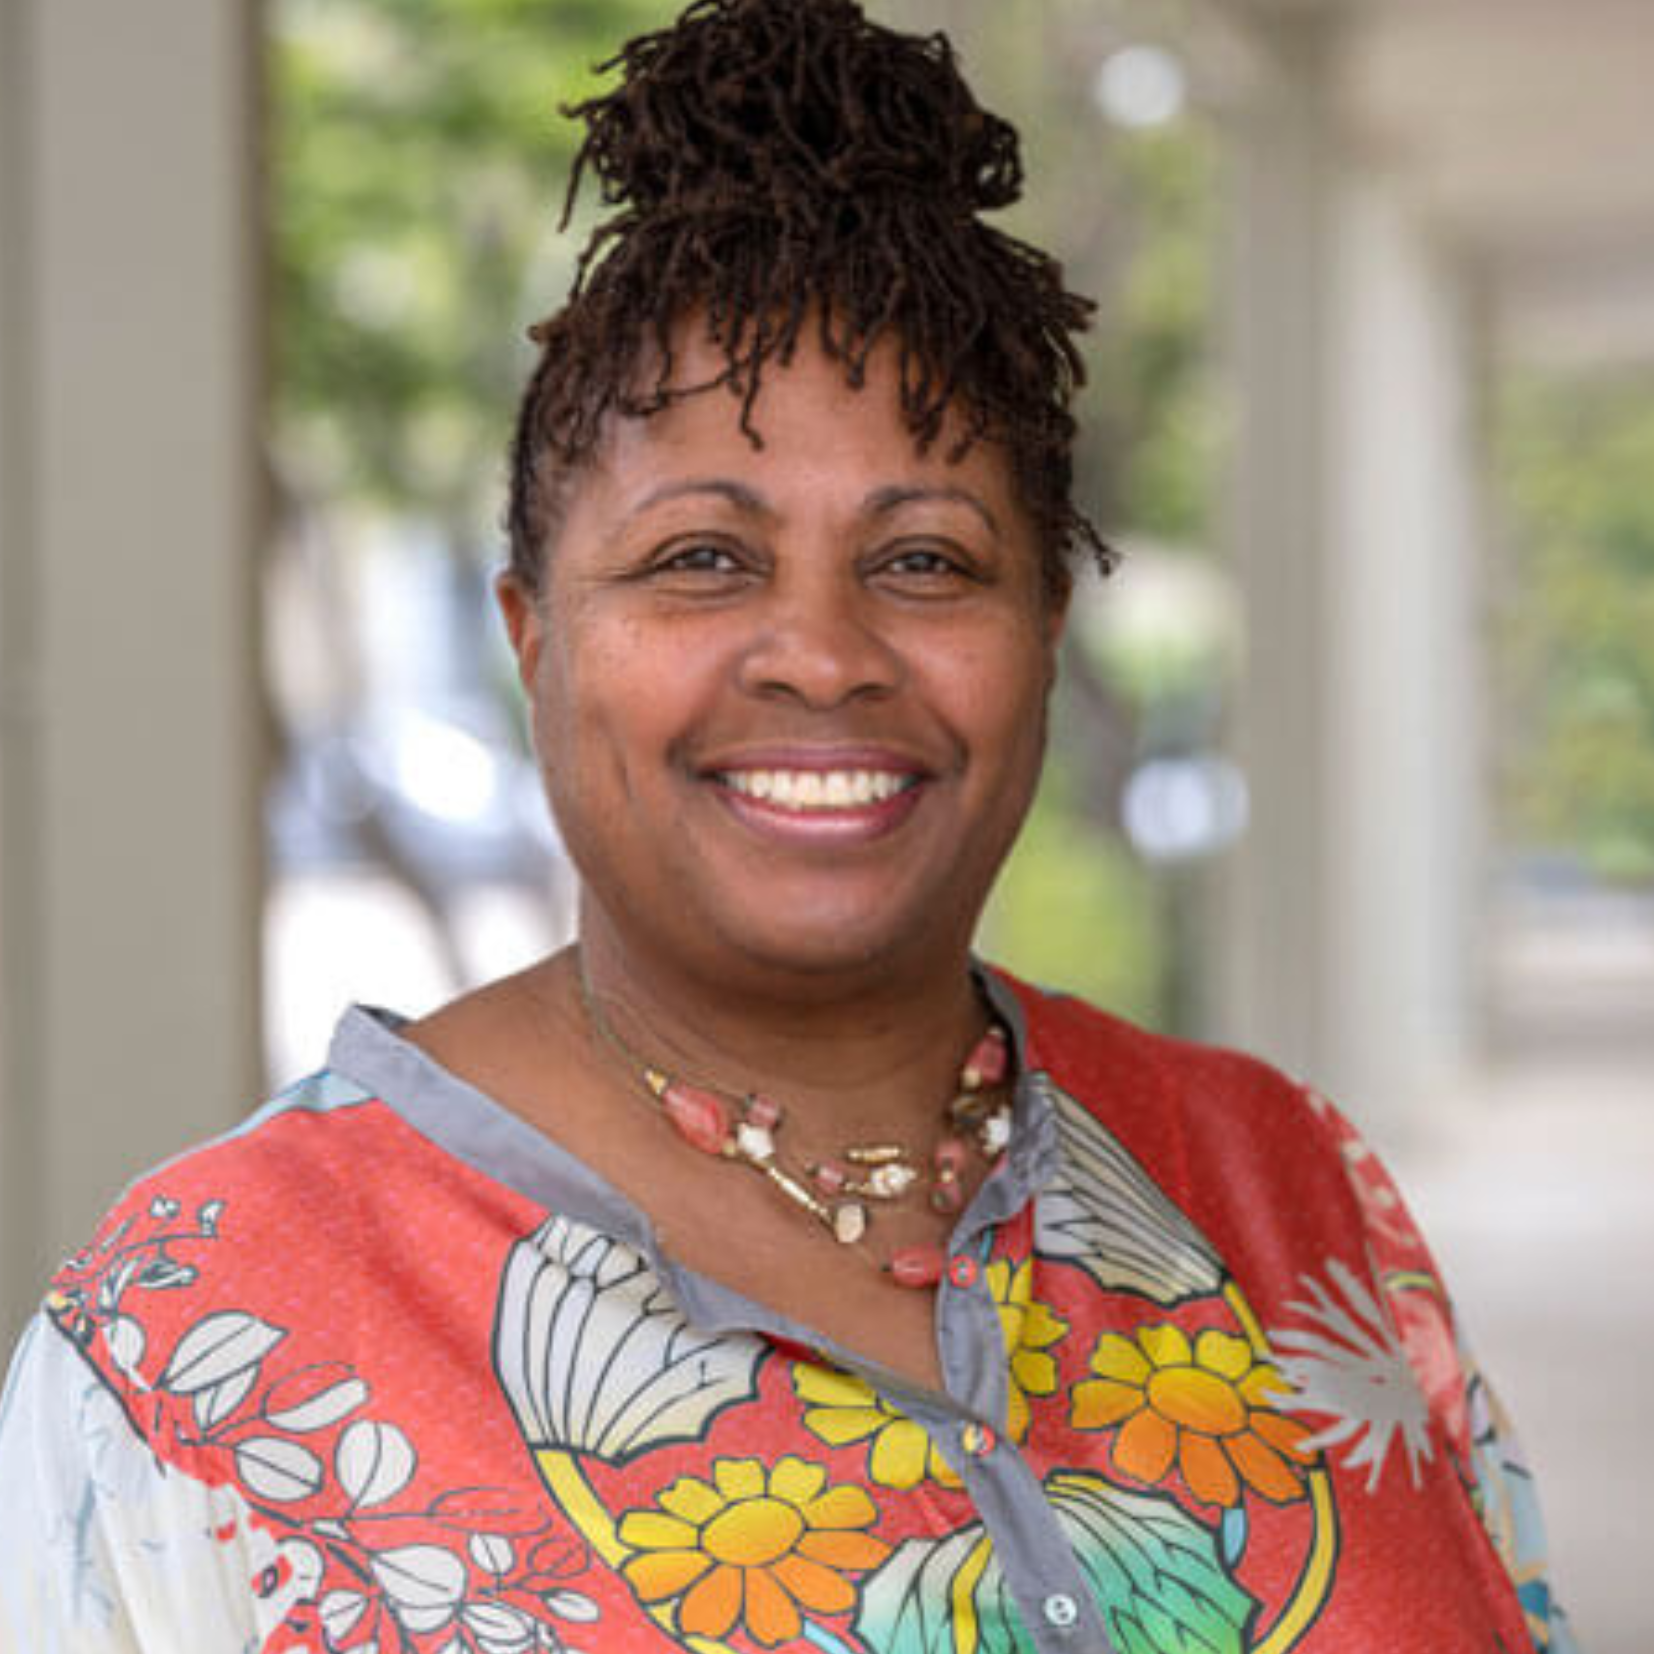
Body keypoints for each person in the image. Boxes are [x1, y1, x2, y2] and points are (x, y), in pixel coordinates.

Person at [0, 2, 1576, 1650]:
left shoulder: (1288, 1186)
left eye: (923, 561)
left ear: (1043, 631)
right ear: (534, 639)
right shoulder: (202, 1330)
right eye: (699, 558)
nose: (822, 653)